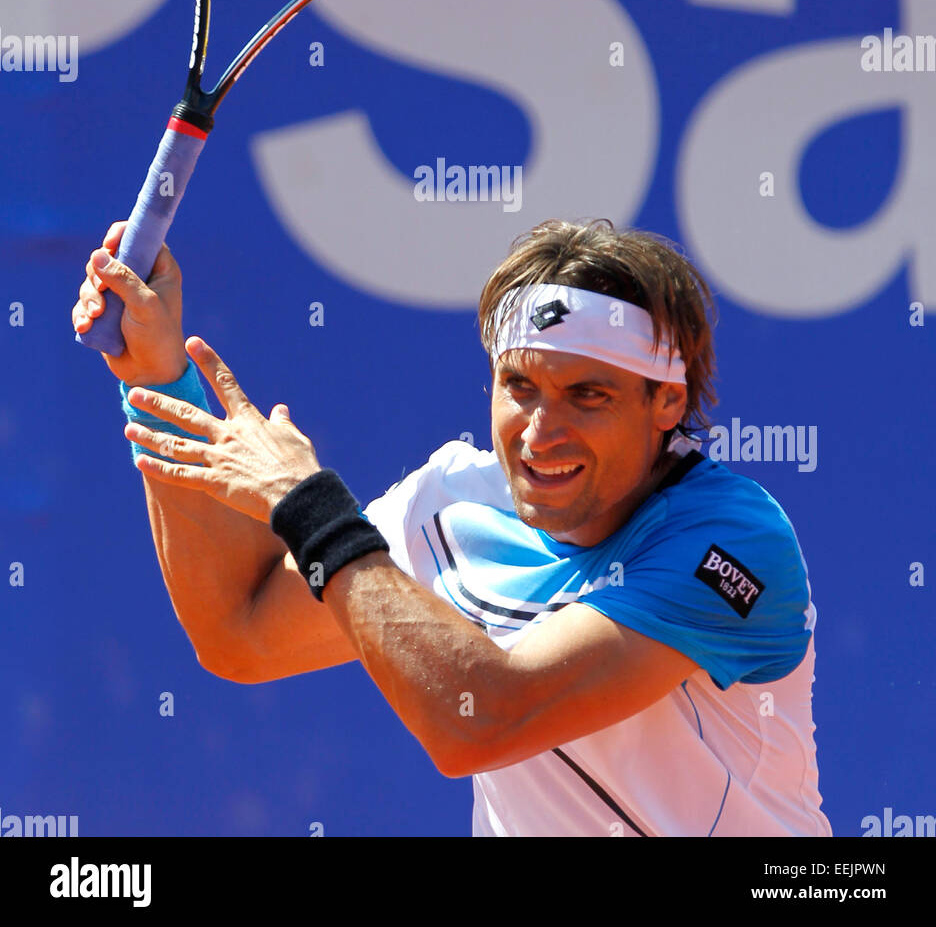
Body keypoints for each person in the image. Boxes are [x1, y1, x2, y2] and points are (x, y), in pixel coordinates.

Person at [72, 217, 832, 837]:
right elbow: (240, 631)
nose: (540, 433)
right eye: (520, 386)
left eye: (588, 396)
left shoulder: (731, 543)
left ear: (667, 401)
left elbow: (483, 719)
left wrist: (309, 506)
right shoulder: (452, 502)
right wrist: (153, 378)